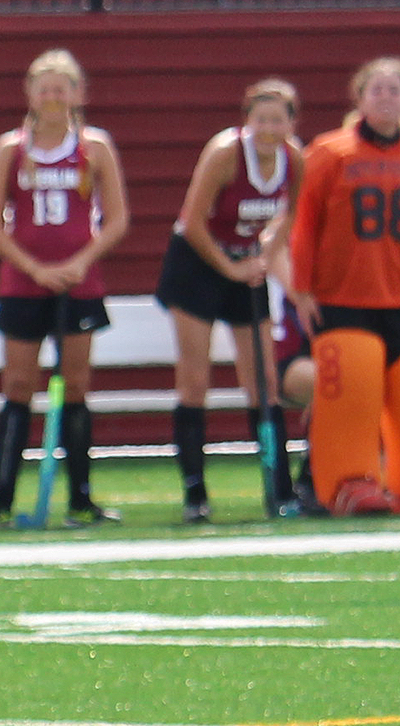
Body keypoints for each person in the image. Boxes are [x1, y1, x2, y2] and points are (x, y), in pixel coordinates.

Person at [0, 47, 129, 528]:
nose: (53, 95)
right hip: (24, 283)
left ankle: (81, 498)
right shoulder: (10, 148)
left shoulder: (95, 147)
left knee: (77, 385)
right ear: (30, 93)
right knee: (18, 385)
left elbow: (117, 218)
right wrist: (36, 268)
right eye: (44, 87)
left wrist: (80, 261)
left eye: (62, 87)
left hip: (79, 284)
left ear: (77, 93)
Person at [159, 79, 303, 523]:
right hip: (197, 265)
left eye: (277, 119)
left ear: (291, 123)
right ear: (247, 120)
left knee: (263, 382)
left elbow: (292, 214)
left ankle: (278, 489)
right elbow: (192, 221)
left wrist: (266, 253)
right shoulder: (225, 154)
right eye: (260, 119)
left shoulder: (295, 159)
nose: (268, 128)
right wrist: (233, 268)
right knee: (195, 380)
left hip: (244, 264)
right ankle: (195, 494)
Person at [287, 57, 400, 515]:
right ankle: (338, 484)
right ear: (358, 98)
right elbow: (304, 223)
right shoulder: (330, 152)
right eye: (378, 90)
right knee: (348, 398)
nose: (387, 98)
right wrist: (301, 288)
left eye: (395, 90)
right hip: (344, 295)